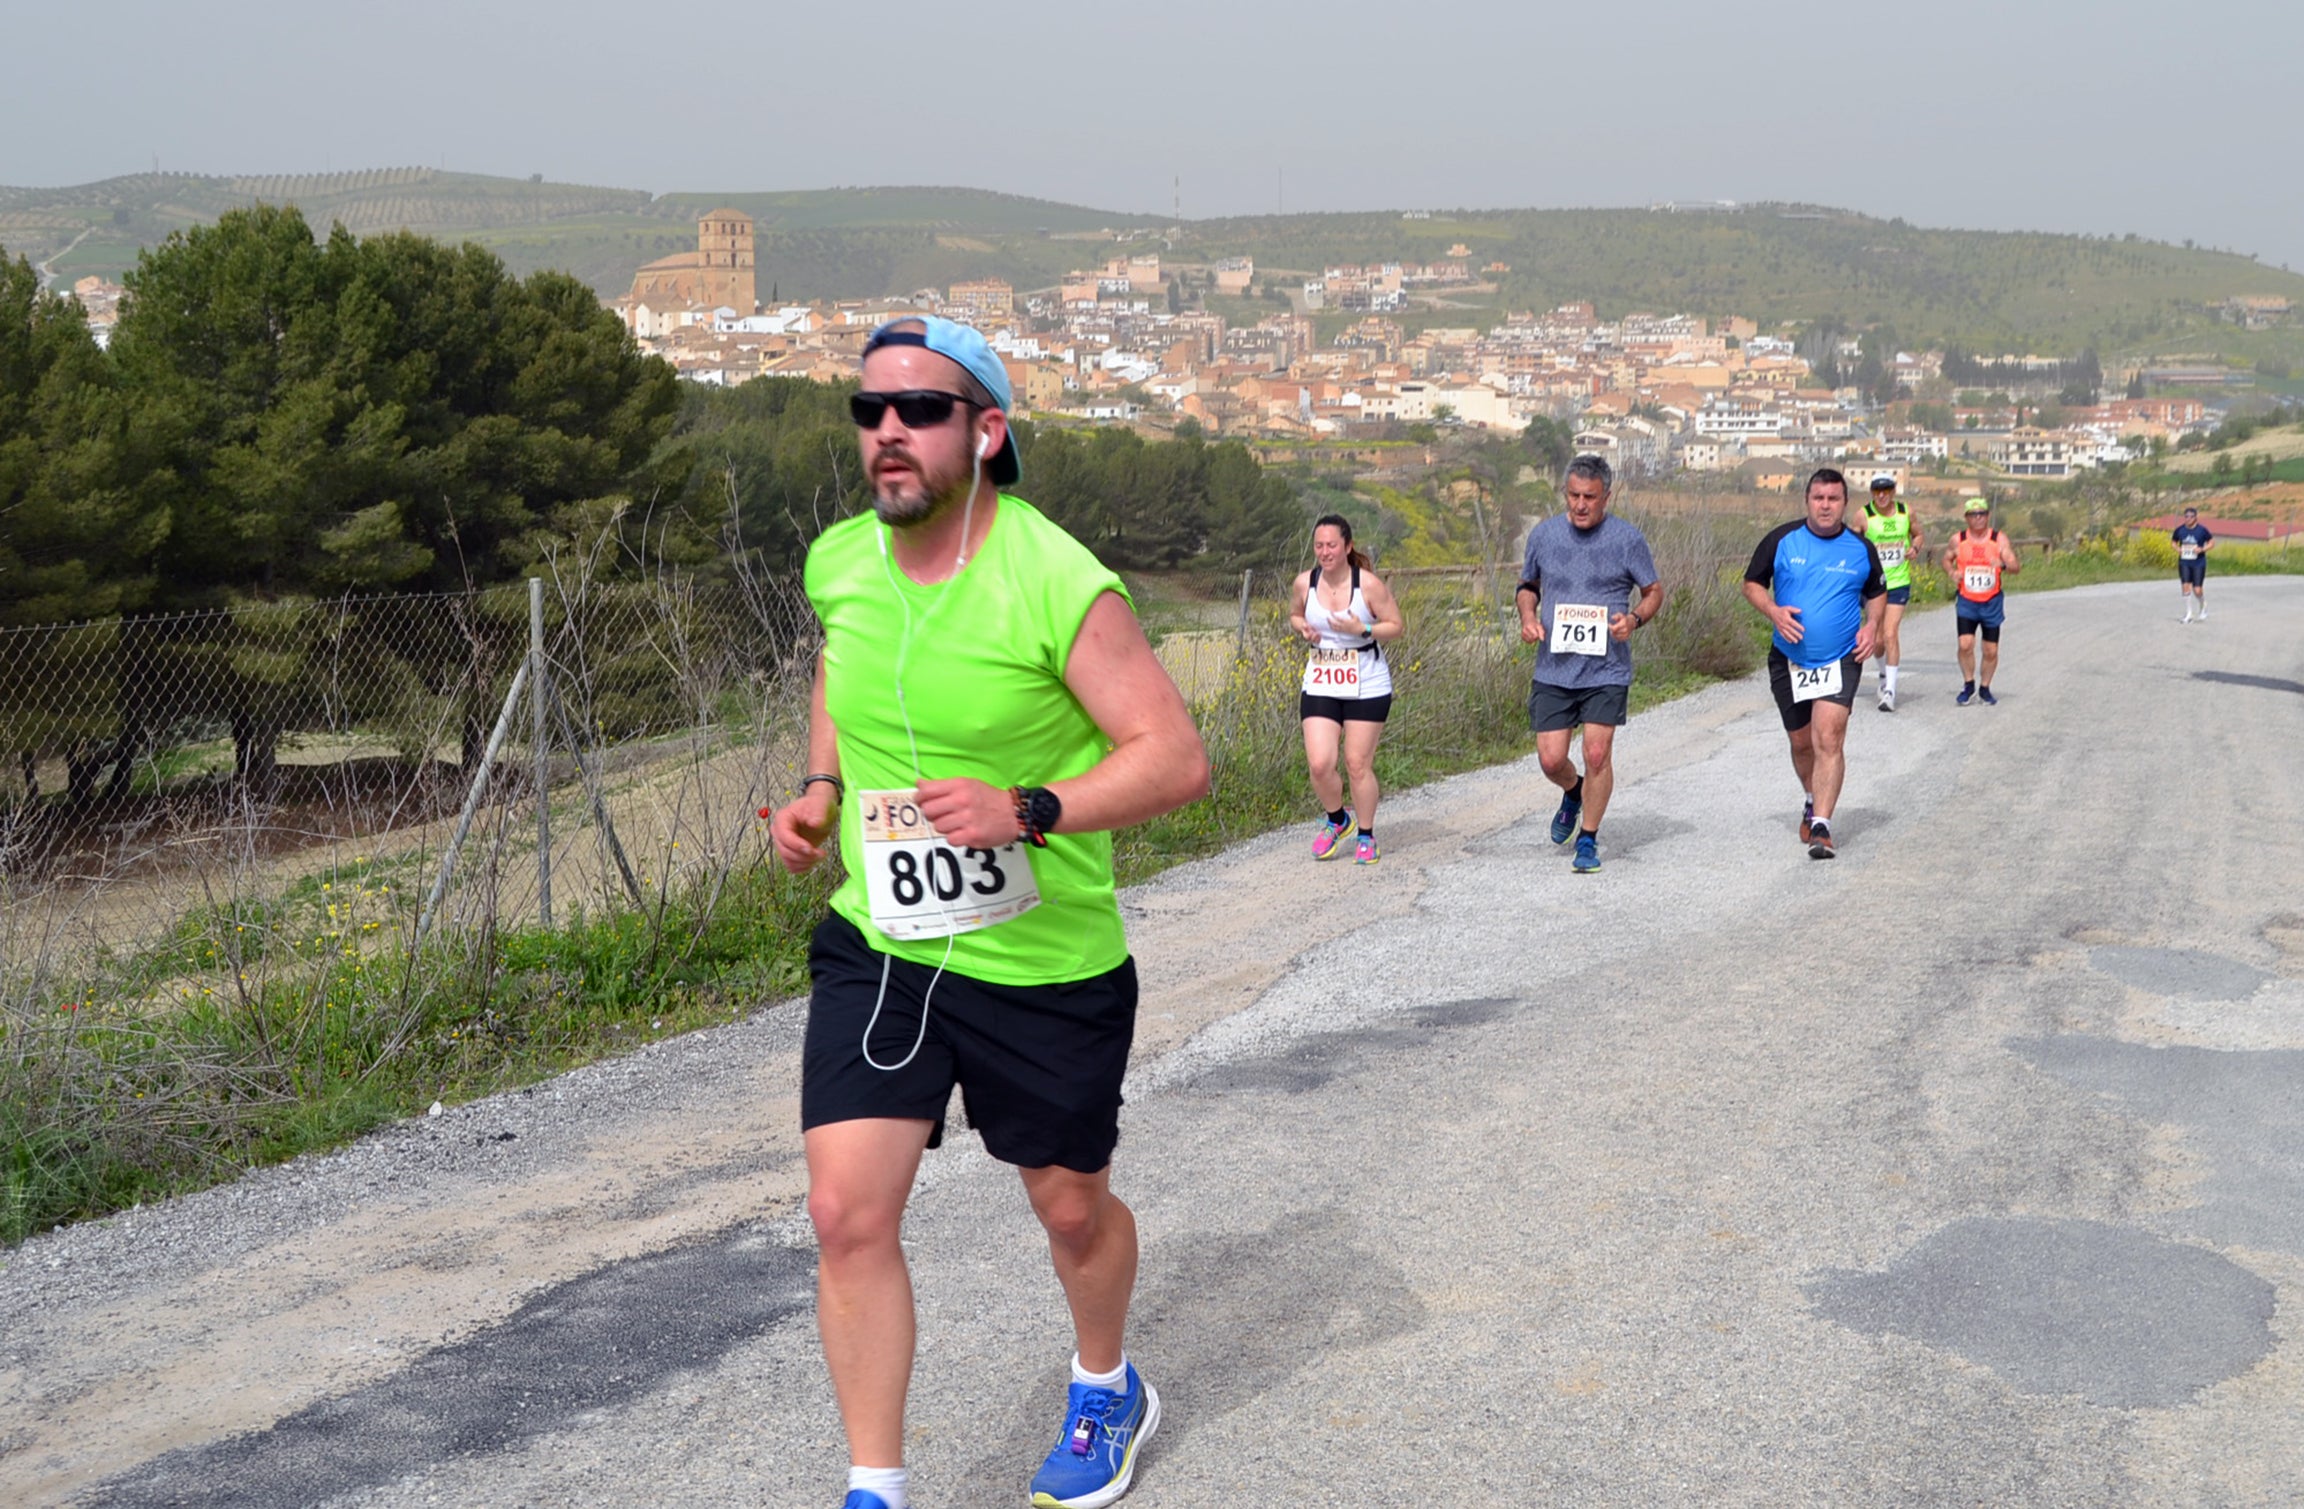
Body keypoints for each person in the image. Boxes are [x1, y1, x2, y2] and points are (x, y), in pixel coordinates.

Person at [768, 316, 1209, 1509]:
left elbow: (1175, 760)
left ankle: (1107, 1383)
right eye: (870, 413)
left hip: (1044, 960)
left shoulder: (1056, 580)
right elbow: (838, 669)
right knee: (843, 1212)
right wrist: (823, 789)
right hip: (885, 944)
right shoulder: (839, 561)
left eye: (918, 410)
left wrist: (1033, 805)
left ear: (988, 430)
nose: (888, 433)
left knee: (1070, 1209)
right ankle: (875, 1486)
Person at [1514, 454, 1663, 874]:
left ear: (1606, 497)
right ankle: (1573, 791)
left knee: (1597, 753)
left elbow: (1653, 591)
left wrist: (1634, 619)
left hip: (1606, 669)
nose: (1580, 505)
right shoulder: (1544, 536)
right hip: (1554, 668)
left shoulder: (1627, 539)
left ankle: (1589, 839)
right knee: (1550, 759)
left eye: (1590, 498)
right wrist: (1528, 617)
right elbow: (1528, 585)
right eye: (1574, 496)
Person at [1743, 467, 1885, 860]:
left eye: (1833, 499)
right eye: (1818, 498)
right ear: (1807, 500)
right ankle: (1810, 797)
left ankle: (1821, 824)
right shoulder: (1781, 540)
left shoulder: (1860, 549)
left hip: (1841, 656)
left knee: (1829, 737)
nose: (1825, 506)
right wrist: (1773, 610)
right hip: (1789, 659)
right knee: (1801, 742)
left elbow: (1877, 592)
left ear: (1844, 504)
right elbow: (1751, 583)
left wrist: (1873, 625)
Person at [1289, 514, 1403, 865]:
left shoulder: (1367, 585)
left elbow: (1396, 626)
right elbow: (1294, 615)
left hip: (1366, 681)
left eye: (1332, 546)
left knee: (1357, 763)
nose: (1325, 552)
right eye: (1319, 546)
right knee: (1320, 763)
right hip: (1323, 677)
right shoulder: (1304, 583)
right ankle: (1338, 819)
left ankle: (1366, 835)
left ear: (1348, 546)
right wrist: (1303, 629)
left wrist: (1363, 628)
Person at [1943, 496, 2022, 705]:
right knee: (1965, 644)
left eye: (1983, 514)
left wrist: (2003, 565)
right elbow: (1946, 558)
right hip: (1967, 600)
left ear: (1988, 516)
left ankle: (1985, 688)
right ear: (1967, 518)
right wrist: (1952, 572)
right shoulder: (1958, 540)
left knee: (1991, 650)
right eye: (1973, 515)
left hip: (1991, 601)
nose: (1978, 518)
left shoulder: (1998, 539)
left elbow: (2015, 566)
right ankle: (1968, 685)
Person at [1860, 472, 1924, 711]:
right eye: (1877, 491)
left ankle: (1890, 691)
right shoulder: (1863, 515)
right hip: (1873, 585)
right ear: (1872, 493)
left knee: (1889, 633)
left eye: (1886, 490)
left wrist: (1915, 548)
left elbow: (1918, 534)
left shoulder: (1906, 512)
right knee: (1876, 641)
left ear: (1893, 491)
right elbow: (1851, 543)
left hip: (1898, 581)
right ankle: (1883, 674)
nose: (1882, 495)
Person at [2173, 506, 2214, 621]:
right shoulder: (2180, 530)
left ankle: (2203, 606)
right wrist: (2178, 549)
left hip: (2198, 563)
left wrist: (2202, 549)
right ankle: (2189, 613)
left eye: (2191, 516)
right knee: (2185, 587)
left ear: (2196, 517)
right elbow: (2173, 542)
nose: (2188, 519)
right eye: (2186, 516)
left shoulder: (2202, 530)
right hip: (2184, 562)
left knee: (2197, 590)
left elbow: (2211, 543)